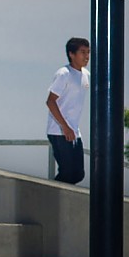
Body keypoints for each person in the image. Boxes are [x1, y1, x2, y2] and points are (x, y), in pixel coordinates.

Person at [45, 37, 91, 185]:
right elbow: (50, 101)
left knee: (78, 174)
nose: (86, 56)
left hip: (74, 131)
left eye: (88, 52)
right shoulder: (64, 74)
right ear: (71, 54)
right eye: (82, 52)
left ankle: (53, 194)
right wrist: (65, 127)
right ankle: (47, 193)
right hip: (59, 131)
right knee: (68, 172)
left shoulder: (86, 75)